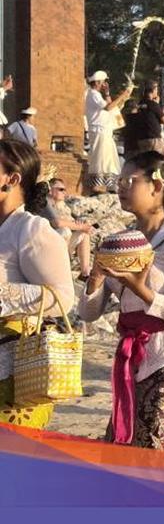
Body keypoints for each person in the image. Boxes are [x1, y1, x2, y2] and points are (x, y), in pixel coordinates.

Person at [78, 152, 164, 449]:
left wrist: (143, 291)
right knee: (119, 445)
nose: (120, 187)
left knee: (148, 449)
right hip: (132, 359)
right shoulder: (118, 242)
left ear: (157, 187)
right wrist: (95, 279)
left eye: (129, 181)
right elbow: (88, 314)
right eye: (119, 181)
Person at [0, 139, 75, 428]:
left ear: (12, 179)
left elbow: (63, 298)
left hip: (15, 371)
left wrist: (5, 295)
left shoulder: (30, 229)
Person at [85, 72, 131, 194]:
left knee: (109, 158)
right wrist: (122, 96)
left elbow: (110, 105)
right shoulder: (93, 94)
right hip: (99, 130)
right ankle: (97, 186)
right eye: (102, 82)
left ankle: (109, 184)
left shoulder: (98, 95)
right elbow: (109, 107)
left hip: (105, 131)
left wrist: (108, 94)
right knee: (100, 158)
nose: (104, 84)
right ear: (97, 82)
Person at [42, 177, 95, 281]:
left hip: (64, 244)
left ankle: (85, 273)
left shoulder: (64, 207)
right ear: (50, 190)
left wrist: (79, 226)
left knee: (83, 234)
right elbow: (58, 223)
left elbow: (71, 223)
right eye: (60, 189)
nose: (64, 192)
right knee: (64, 231)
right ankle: (62, 270)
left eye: (64, 190)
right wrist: (80, 226)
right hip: (48, 246)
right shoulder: (46, 203)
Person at [124, 81, 164, 156]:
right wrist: (159, 109)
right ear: (153, 90)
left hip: (141, 140)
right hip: (154, 139)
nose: (157, 91)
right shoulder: (153, 104)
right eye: (156, 89)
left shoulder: (139, 105)